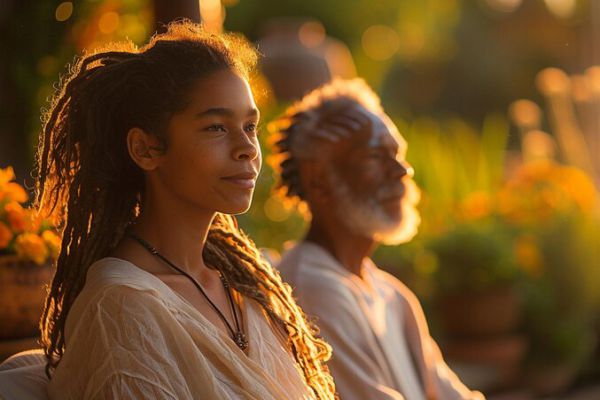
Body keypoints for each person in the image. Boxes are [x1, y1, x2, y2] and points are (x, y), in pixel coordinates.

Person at [35, 21, 335, 400]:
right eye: (215, 127)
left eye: (250, 126)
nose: (246, 148)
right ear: (146, 149)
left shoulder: (240, 286)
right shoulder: (123, 307)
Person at [270, 78, 484, 400]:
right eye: (374, 157)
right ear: (319, 180)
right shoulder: (312, 289)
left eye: (397, 154)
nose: (402, 171)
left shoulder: (391, 294)